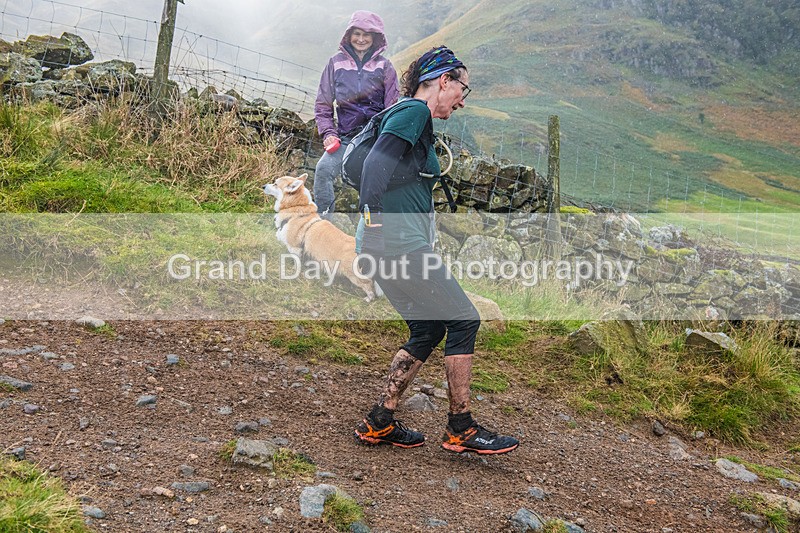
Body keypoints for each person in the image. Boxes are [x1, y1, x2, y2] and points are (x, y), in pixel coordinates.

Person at [353, 46, 519, 455]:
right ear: (444, 80)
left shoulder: (408, 116)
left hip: (387, 243)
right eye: (464, 88)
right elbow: (374, 167)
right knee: (464, 319)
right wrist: (376, 228)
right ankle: (460, 427)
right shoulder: (414, 112)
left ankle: (380, 421)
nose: (463, 99)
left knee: (428, 329)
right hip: (397, 244)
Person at [313, 10, 399, 217]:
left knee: (374, 187)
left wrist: (386, 142)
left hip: (374, 141)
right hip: (344, 138)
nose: (361, 39)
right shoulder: (335, 64)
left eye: (367, 35)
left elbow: (393, 108)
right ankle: (322, 226)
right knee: (323, 171)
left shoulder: (385, 67)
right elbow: (323, 103)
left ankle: (372, 236)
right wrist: (328, 134)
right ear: (349, 35)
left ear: (375, 38)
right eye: (357, 34)